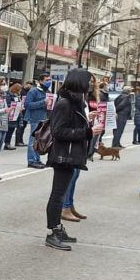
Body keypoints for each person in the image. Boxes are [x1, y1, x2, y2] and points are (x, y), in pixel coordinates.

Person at [43, 69, 101, 251]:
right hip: (63, 156)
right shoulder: (65, 103)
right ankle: (53, 231)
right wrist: (88, 132)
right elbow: (58, 131)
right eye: (89, 82)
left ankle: (58, 228)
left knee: (60, 194)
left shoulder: (75, 102)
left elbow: (70, 124)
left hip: (70, 154)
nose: (91, 85)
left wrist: (86, 119)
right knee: (58, 195)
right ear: (79, 82)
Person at [24, 75, 50, 169]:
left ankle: (37, 159)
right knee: (33, 141)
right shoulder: (33, 91)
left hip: (43, 118)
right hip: (35, 119)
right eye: (46, 80)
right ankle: (31, 160)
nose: (49, 82)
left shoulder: (46, 92)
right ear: (40, 81)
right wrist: (43, 102)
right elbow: (27, 104)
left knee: (38, 140)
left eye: (49, 80)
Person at [3, 82, 23, 150]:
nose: (20, 91)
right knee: (9, 130)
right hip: (11, 115)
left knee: (11, 130)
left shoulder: (17, 95)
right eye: (19, 89)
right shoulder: (9, 95)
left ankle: (8, 143)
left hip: (16, 114)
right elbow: (8, 104)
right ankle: (7, 143)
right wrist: (15, 107)